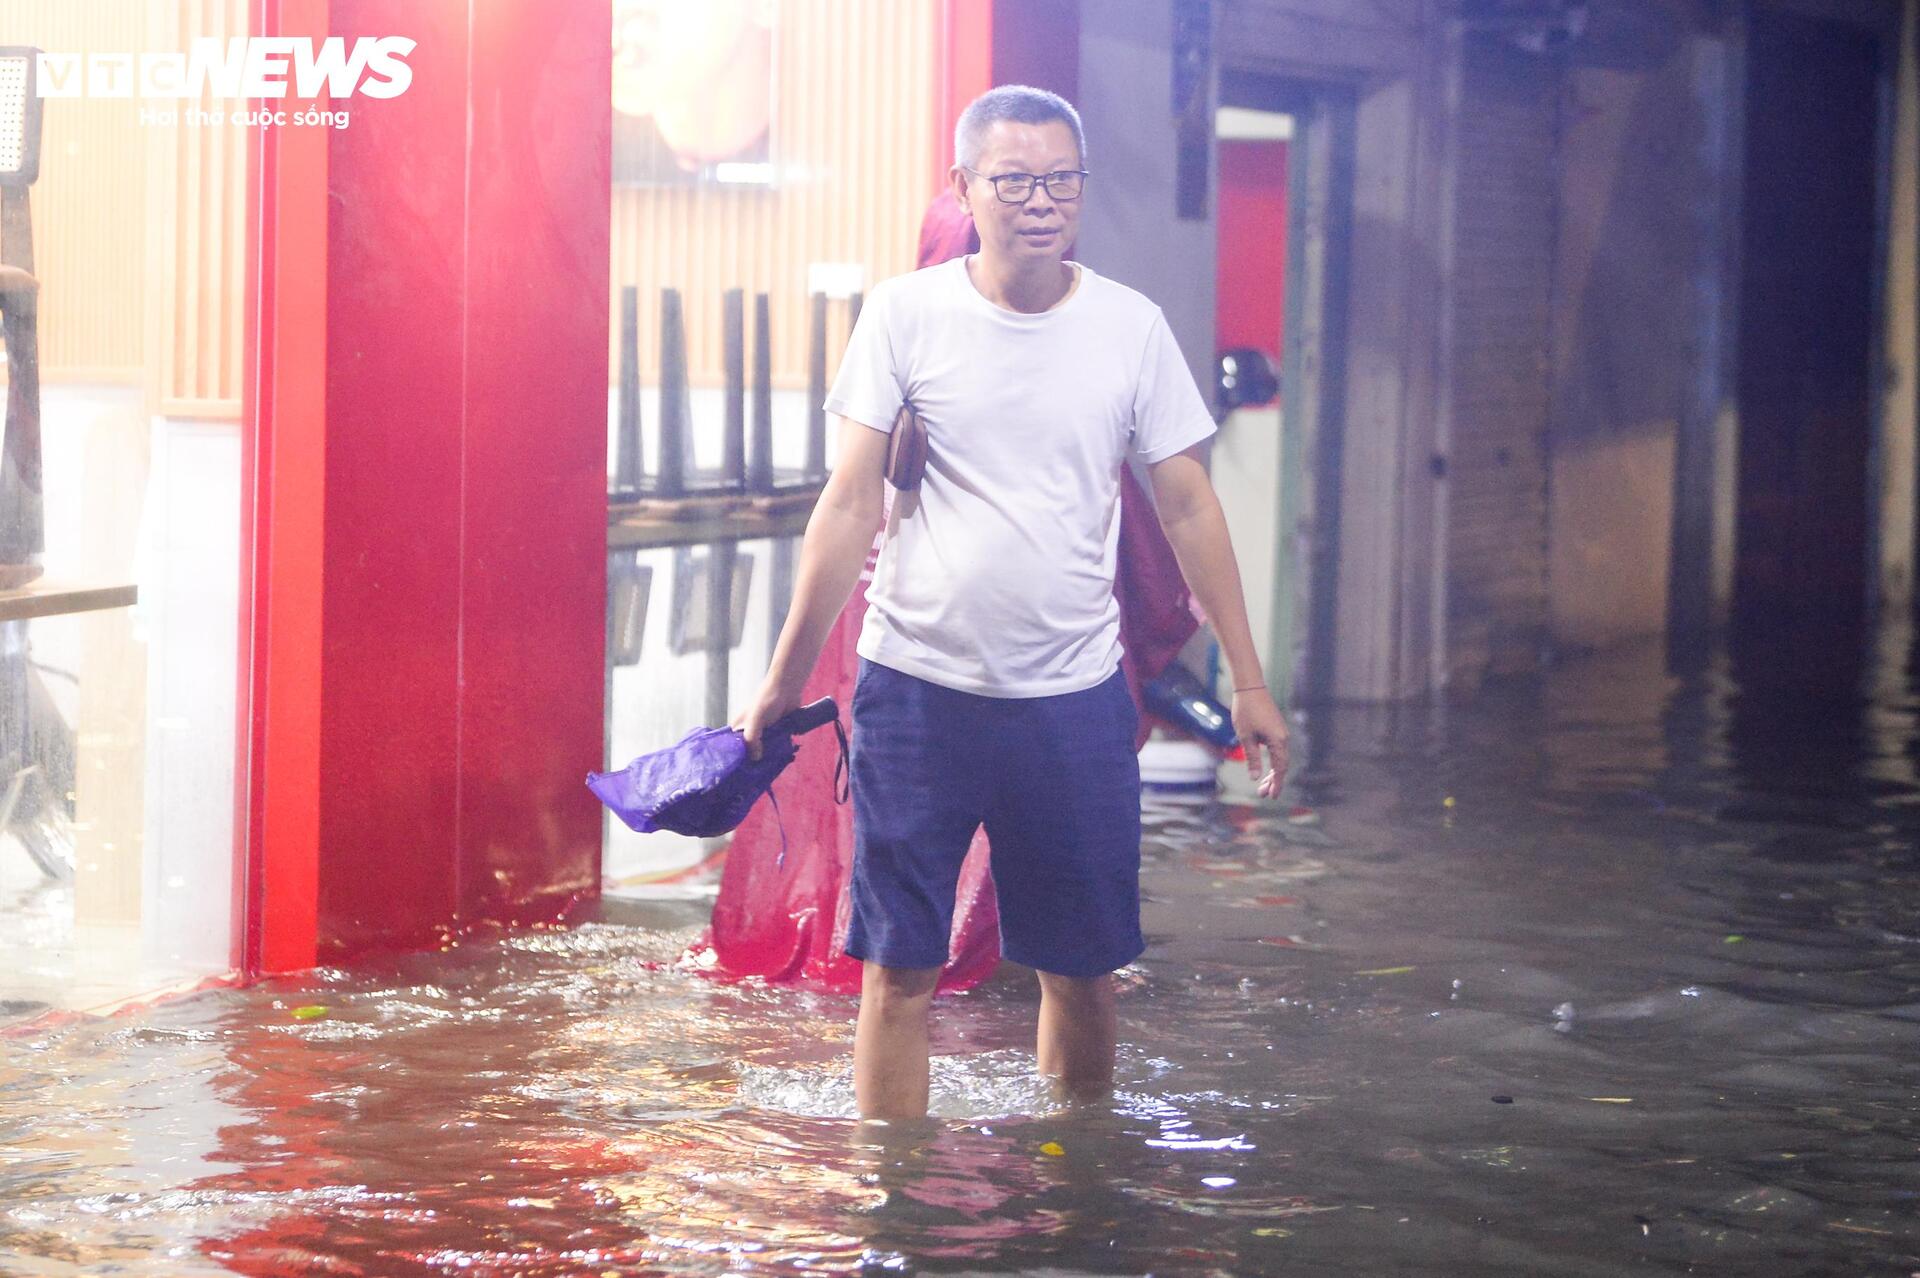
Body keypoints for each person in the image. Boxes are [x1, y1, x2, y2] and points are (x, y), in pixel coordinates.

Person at [736, 85, 1289, 1121]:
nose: (1041, 202)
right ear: (965, 187)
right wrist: (778, 683)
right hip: (916, 692)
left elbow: (1189, 505)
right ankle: (890, 1214)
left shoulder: (1130, 328)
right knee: (897, 970)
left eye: (1061, 181)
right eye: (1015, 180)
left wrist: (1248, 680)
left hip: (1074, 702)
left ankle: (1073, 1195)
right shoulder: (906, 316)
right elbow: (848, 504)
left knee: (1080, 970)